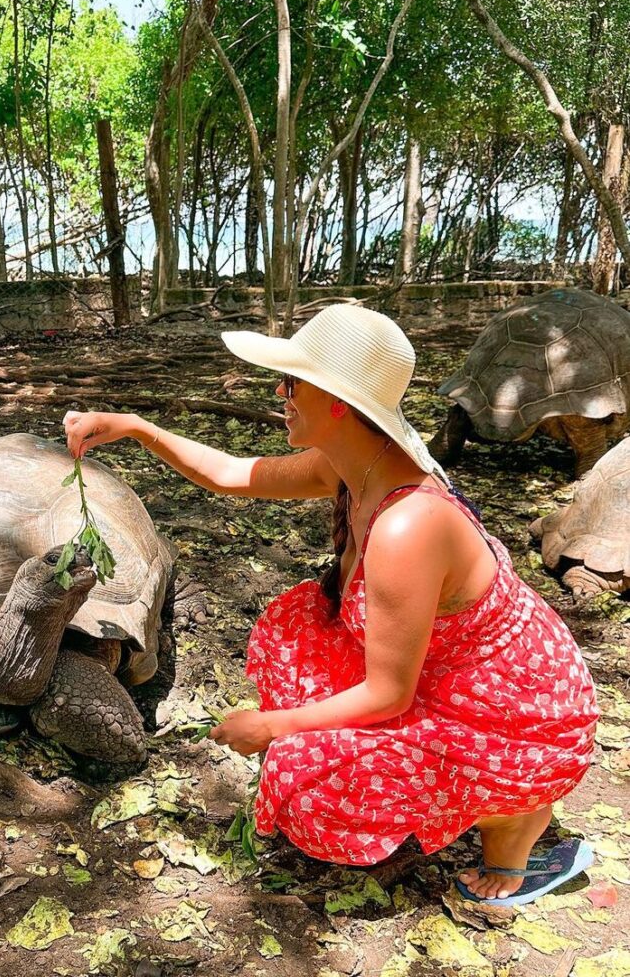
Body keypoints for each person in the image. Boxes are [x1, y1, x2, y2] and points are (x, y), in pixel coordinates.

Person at [62, 303, 598, 907]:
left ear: (339, 401)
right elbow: (233, 474)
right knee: (291, 641)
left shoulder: (408, 525)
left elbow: (388, 694)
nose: (279, 393)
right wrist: (136, 427)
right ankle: (467, 799)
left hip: (516, 711)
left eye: (292, 382)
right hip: (448, 674)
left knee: (307, 781)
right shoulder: (353, 466)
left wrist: (268, 727)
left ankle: (517, 814)